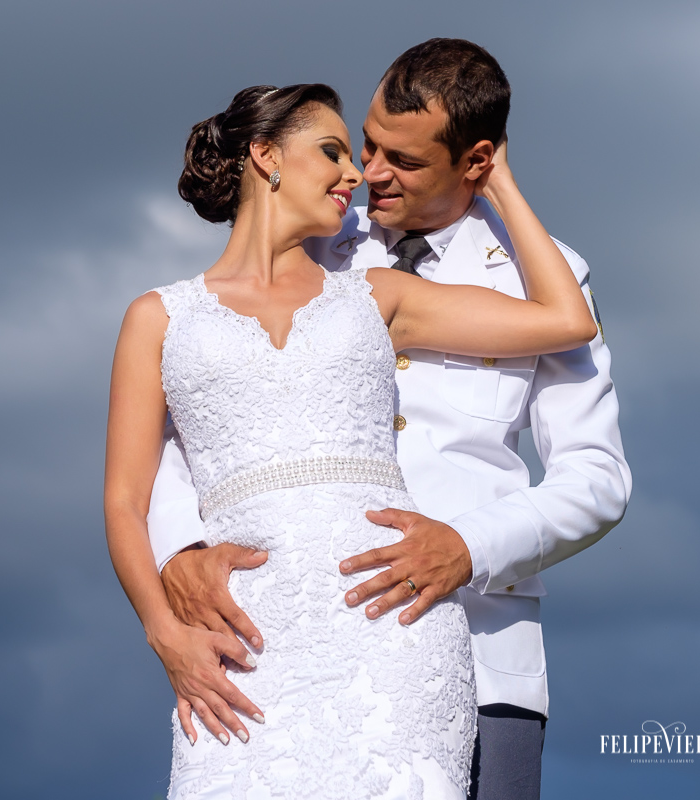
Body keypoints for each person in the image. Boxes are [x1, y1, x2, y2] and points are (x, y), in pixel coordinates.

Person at [146, 40, 632, 800]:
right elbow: (199, 408)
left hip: (481, 652)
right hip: (292, 641)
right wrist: (179, 550)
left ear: (476, 161)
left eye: (401, 159)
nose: (370, 172)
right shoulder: (311, 237)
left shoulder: (550, 279)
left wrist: (467, 548)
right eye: (367, 143)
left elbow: (599, 481)